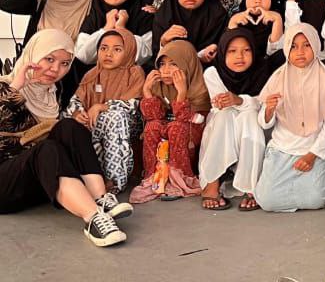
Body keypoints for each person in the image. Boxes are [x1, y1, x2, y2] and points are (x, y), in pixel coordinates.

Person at [0, 30, 134, 247]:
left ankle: (101, 199)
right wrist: (16, 87)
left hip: (38, 180)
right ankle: (93, 218)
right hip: (5, 184)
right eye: (49, 59)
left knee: (70, 126)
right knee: (46, 148)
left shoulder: (55, 92)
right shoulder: (5, 85)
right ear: (34, 54)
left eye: (64, 63)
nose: (55, 69)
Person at [254, 24, 325, 213]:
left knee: (316, 199)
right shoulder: (278, 77)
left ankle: (323, 176)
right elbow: (264, 123)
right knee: (267, 201)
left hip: (313, 151)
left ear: (316, 46)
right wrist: (269, 110)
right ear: (287, 48)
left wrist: (311, 156)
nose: (300, 52)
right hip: (282, 149)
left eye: (307, 45)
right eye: (293, 46)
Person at [199, 28, 275, 211]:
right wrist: (240, 102)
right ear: (223, 52)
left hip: (254, 125)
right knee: (225, 115)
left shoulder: (262, 71)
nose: (239, 56)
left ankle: (250, 184)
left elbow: (261, 105)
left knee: (250, 117)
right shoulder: (212, 73)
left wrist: (239, 100)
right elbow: (221, 105)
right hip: (223, 126)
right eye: (232, 51)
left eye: (246, 50)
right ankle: (212, 182)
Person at [134, 40, 211, 203]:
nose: (166, 70)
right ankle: (154, 179)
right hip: (168, 127)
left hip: (191, 130)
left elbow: (190, 119)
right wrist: (147, 91)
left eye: (174, 64)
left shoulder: (200, 88)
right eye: (162, 64)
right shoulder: (159, 86)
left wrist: (182, 93)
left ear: (187, 64)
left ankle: (180, 180)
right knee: (152, 127)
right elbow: (153, 116)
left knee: (176, 128)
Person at [68, 29, 144, 193]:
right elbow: (75, 101)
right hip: (96, 122)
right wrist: (78, 113)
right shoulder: (92, 74)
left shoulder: (134, 72)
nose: (108, 54)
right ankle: (94, 176)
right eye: (103, 48)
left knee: (114, 117)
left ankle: (115, 180)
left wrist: (102, 106)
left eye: (117, 49)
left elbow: (134, 104)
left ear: (129, 50)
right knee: (71, 123)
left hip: (128, 123)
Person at [75, 0, 155, 69]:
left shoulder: (144, 16)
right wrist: (106, 28)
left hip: (135, 76)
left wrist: (122, 29)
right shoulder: (94, 16)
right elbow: (83, 56)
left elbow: (144, 56)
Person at [151, 0, 229, 62]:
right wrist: (163, 42)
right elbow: (156, 59)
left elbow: (225, 55)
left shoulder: (217, 16)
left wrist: (209, 54)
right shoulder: (164, 16)